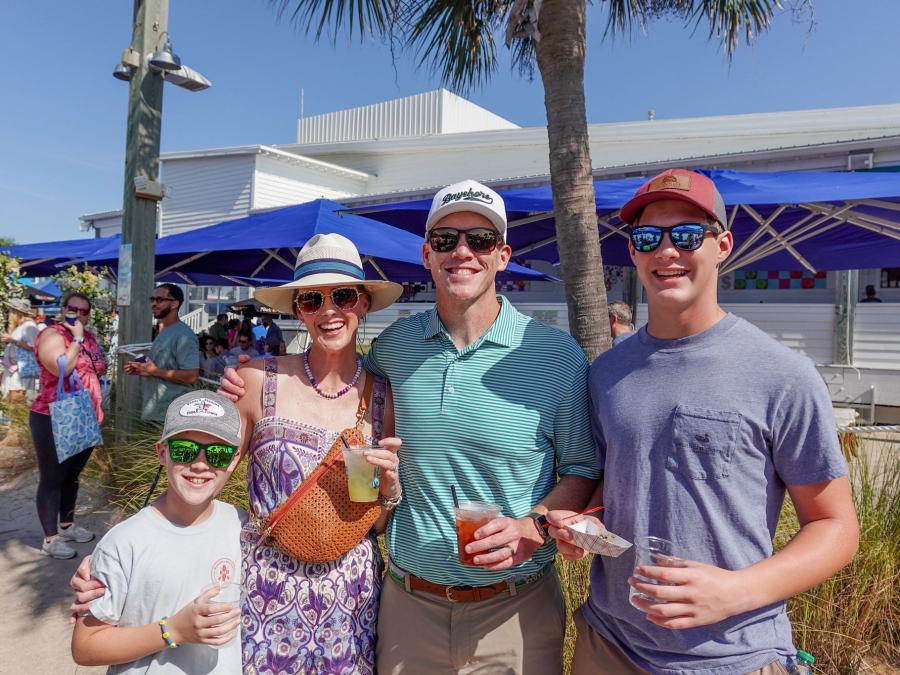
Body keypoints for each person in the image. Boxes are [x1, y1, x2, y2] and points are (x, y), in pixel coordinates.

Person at [223, 180, 599, 673]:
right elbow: (335, 390)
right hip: (406, 608)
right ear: (427, 254)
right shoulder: (394, 350)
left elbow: (581, 469)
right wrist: (247, 381)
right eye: (446, 241)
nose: (461, 252)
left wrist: (536, 525)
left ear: (502, 255)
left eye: (480, 241)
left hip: (515, 611)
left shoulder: (555, 356)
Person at [548, 168, 859, 675]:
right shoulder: (606, 371)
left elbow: (835, 526)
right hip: (607, 643)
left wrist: (738, 590)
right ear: (633, 252)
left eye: (688, 235)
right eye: (648, 237)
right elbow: (621, 477)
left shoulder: (782, 374)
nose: (666, 251)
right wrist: (583, 524)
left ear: (723, 245)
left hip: (731, 654)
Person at [71, 390, 245, 674]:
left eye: (218, 454)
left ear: (234, 460)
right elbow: (85, 646)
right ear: (162, 453)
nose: (200, 463)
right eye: (184, 450)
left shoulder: (239, 524)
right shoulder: (123, 542)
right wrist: (172, 631)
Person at [29, 291, 106, 559]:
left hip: (83, 416)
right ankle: (50, 539)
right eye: (73, 308)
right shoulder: (52, 334)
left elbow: (99, 366)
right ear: (63, 309)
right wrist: (76, 338)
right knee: (53, 478)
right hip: (52, 415)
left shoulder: (90, 336)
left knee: (72, 475)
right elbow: (60, 367)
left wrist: (83, 338)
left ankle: (67, 525)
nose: (78, 314)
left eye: (84, 311)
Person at [124, 284, 199, 424]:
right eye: (152, 299)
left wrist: (155, 371)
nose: (154, 304)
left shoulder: (184, 335)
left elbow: (191, 376)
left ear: (174, 304)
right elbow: (161, 369)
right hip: (155, 413)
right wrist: (144, 370)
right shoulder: (165, 330)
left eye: (159, 300)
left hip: (170, 416)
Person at [1, 297, 40, 406]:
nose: (9, 314)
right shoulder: (21, 327)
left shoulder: (30, 327)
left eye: (11, 311)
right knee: (12, 402)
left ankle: (17, 422)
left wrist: (12, 340)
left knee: (16, 402)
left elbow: (34, 347)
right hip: (15, 369)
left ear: (17, 313)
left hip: (21, 371)